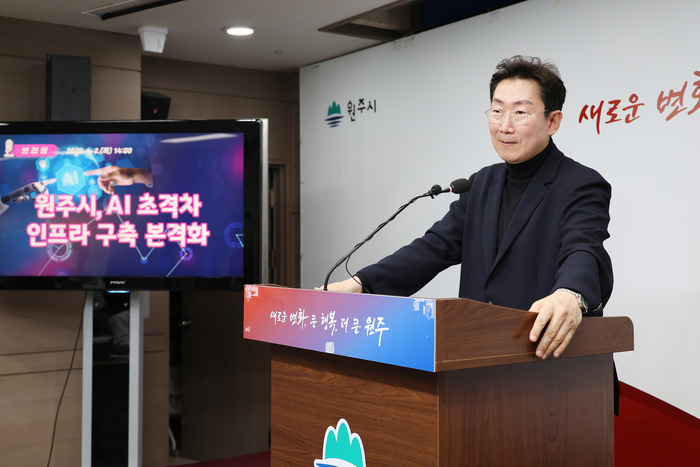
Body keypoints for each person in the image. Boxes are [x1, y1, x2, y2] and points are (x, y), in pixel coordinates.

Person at [325, 55, 614, 362]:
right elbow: (433, 248)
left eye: (520, 112)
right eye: (497, 111)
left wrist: (569, 294)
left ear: (552, 121)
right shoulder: (481, 184)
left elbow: (583, 248)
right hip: (479, 361)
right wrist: (363, 284)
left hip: (547, 367)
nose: (505, 126)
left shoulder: (580, 183)